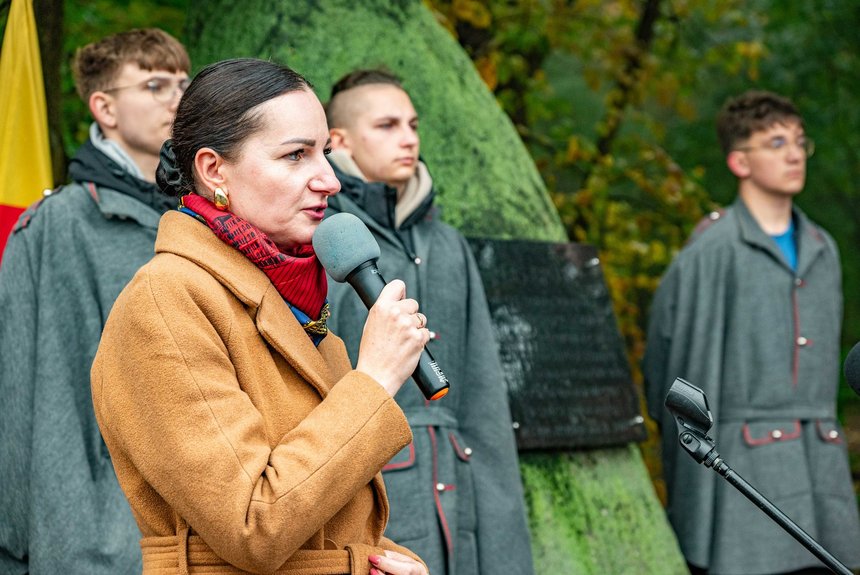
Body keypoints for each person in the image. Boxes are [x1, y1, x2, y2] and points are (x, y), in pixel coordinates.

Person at [90, 57, 429, 575]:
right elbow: (254, 524)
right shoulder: (165, 300)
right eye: (295, 155)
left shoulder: (292, 299)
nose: (330, 181)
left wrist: (389, 562)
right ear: (213, 170)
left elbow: (325, 525)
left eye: (325, 153)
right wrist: (375, 380)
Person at [323, 69, 534, 575]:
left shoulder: (447, 243)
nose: (409, 138)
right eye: (387, 125)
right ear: (340, 141)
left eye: (412, 125)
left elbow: (482, 388)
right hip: (368, 487)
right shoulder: (324, 237)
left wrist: (500, 515)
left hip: (459, 491)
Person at [643, 90, 860, 574]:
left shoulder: (822, 247)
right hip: (743, 481)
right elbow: (679, 386)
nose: (794, 154)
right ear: (739, 161)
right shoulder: (712, 251)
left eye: (800, 142)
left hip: (821, 475)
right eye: (776, 143)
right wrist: (696, 494)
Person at [0, 28, 190, 574]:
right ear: (104, 108)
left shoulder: (206, 218)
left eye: (183, 83)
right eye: (155, 85)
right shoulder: (59, 224)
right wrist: (18, 545)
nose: (177, 100)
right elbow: (29, 391)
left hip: (212, 518)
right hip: (102, 538)